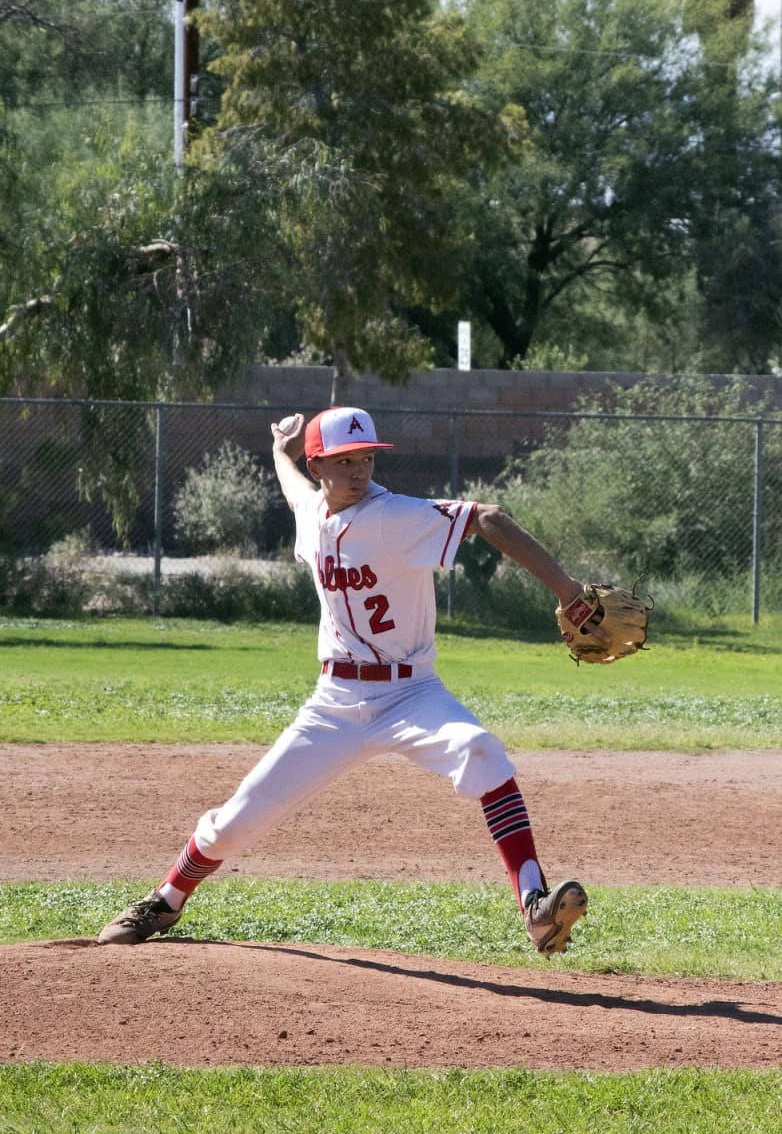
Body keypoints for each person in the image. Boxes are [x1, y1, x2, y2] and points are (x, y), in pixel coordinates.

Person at [98, 407, 588, 957]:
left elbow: (490, 517)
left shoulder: (396, 516)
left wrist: (567, 590)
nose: (360, 471)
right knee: (237, 819)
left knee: (480, 750)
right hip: (333, 703)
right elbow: (294, 492)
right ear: (319, 464)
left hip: (411, 693)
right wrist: (281, 452)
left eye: (368, 458)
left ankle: (535, 906)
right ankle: (166, 900)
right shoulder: (312, 511)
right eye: (345, 460)